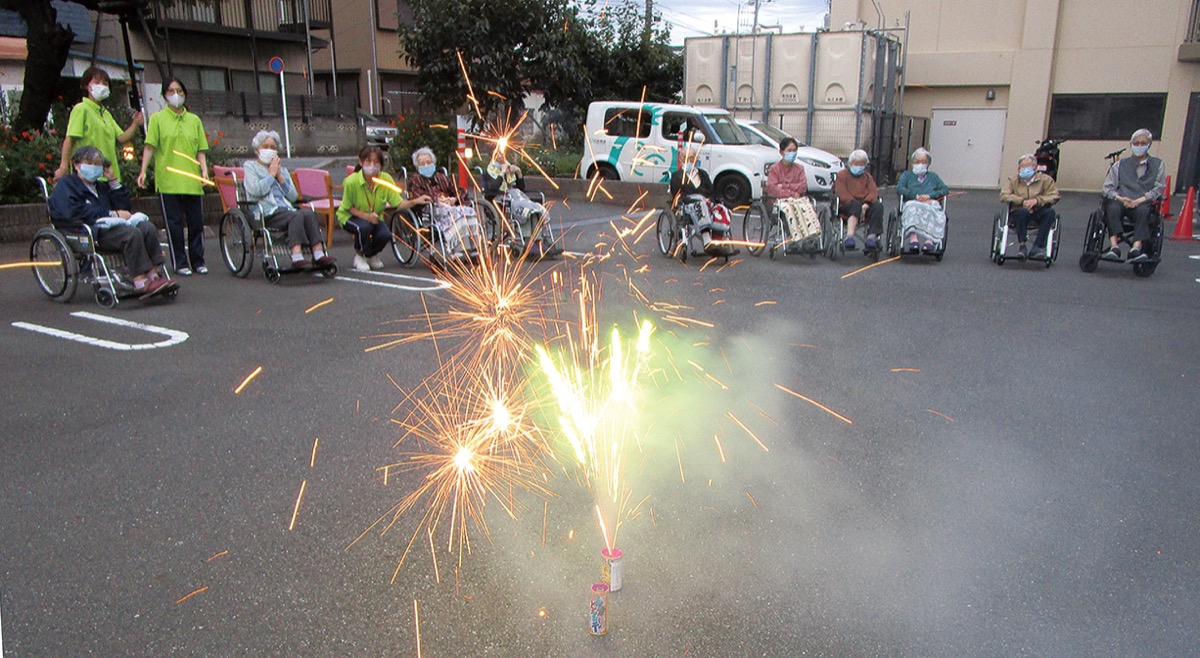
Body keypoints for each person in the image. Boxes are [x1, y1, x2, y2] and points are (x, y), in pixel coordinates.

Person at [48, 146, 176, 296]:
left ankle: (153, 275)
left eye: (98, 165)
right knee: (131, 234)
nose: (95, 168)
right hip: (88, 231)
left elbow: (124, 207)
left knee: (147, 227)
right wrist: (112, 214)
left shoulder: (101, 187)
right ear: (77, 165)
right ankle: (140, 281)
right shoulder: (66, 185)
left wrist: (113, 181)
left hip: (110, 227)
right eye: (90, 163)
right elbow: (71, 211)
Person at [137, 77, 210, 276]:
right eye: (170, 91)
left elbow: (201, 149)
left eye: (179, 90)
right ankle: (180, 262)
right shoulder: (158, 119)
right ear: (164, 95)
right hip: (168, 180)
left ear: (185, 94)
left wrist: (204, 170)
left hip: (192, 180)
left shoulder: (194, 120)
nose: (175, 95)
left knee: (196, 222)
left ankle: (198, 260)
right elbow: (150, 147)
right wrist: (143, 171)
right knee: (174, 224)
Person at [242, 130, 335, 269]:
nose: (269, 150)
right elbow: (255, 191)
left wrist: (279, 177)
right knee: (295, 216)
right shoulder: (250, 167)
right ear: (257, 150)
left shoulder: (282, 170)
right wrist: (271, 175)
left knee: (308, 214)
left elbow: (293, 197)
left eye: (273, 147)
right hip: (265, 212)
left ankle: (318, 253)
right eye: (265, 146)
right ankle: (296, 256)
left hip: (285, 209)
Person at [337, 146, 427, 271]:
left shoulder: (386, 179)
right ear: (360, 162)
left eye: (376, 162)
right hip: (350, 216)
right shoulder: (351, 182)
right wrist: (367, 217)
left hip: (374, 217)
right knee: (364, 227)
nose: (372, 166)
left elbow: (398, 203)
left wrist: (415, 201)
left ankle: (370, 254)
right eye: (368, 161)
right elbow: (347, 207)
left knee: (385, 235)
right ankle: (360, 255)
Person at [54, 67, 143, 183]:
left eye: (105, 84)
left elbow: (121, 138)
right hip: (87, 176)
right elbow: (69, 139)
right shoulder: (81, 109)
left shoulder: (106, 114)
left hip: (109, 175)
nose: (101, 86)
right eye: (96, 82)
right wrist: (64, 166)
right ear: (86, 85)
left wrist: (135, 124)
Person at [1101, 129, 1166, 263]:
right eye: (1136, 143)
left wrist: (1140, 200)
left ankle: (1136, 247)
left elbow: (1158, 188)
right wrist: (1120, 198)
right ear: (1131, 145)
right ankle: (1114, 246)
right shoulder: (1119, 165)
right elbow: (1107, 187)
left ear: (1149, 145)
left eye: (1143, 143)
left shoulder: (1158, 165)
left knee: (1144, 211)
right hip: (1121, 200)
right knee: (1111, 208)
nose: (1139, 146)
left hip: (1142, 201)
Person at [405, 146, 482, 257]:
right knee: (456, 214)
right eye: (422, 163)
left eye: (428, 162)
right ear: (417, 167)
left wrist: (454, 199)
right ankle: (456, 249)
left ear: (434, 164)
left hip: (450, 206)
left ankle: (472, 247)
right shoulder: (416, 180)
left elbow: (459, 190)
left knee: (469, 212)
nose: (426, 165)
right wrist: (439, 200)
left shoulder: (441, 177)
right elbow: (420, 197)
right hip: (431, 209)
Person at [669, 146, 738, 257]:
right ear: (681, 159)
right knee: (701, 205)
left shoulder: (703, 174)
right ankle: (707, 241)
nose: (689, 161)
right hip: (688, 205)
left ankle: (717, 242)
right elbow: (676, 196)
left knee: (720, 209)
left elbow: (711, 191)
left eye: (692, 158)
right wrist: (697, 199)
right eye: (686, 158)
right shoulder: (677, 176)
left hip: (706, 203)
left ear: (696, 159)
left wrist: (710, 199)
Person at [485, 144, 551, 249]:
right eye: (498, 154)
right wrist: (502, 173)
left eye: (502, 154)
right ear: (493, 156)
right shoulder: (491, 170)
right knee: (524, 210)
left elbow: (521, 189)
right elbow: (493, 187)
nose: (501, 156)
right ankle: (530, 244)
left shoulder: (508, 166)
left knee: (534, 209)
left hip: (516, 196)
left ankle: (538, 241)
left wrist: (518, 173)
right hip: (501, 199)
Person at [1000, 153, 1060, 259]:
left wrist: (1037, 201)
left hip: (1039, 210)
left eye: (1029, 166)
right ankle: (1022, 246)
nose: (1026, 169)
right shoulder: (1013, 180)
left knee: (1050, 213)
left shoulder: (1046, 180)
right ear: (1018, 169)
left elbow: (1054, 195)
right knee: (1022, 212)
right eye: (1023, 167)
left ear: (1035, 168)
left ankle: (1037, 247)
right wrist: (1022, 201)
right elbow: (1004, 195)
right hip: (1019, 211)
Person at [765, 137, 823, 249]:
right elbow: (772, 188)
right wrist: (791, 192)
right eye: (789, 150)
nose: (792, 153)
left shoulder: (799, 169)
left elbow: (802, 187)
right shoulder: (775, 169)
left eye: (794, 150)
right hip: (781, 200)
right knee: (789, 209)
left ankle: (810, 238)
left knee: (807, 208)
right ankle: (793, 238)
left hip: (798, 198)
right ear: (782, 152)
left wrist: (784, 186)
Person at [895, 148, 950, 253]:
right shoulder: (907, 175)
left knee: (934, 209)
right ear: (913, 163)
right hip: (913, 201)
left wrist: (930, 195)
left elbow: (944, 189)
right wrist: (915, 196)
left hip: (929, 202)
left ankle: (929, 241)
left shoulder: (933, 177)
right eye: (917, 161)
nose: (920, 164)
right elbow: (900, 188)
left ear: (928, 163)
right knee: (912, 208)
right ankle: (913, 240)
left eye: (923, 162)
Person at [832, 149, 885, 251]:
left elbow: (873, 192)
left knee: (878, 206)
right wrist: (858, 206)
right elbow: (842, 194)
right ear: (851, 163)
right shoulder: (842, 175)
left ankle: (871, 237)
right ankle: (849, 236)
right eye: (857, 164)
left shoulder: (867, 177)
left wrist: (866, 204)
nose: (859, 167)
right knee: (855, 204)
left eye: (862, 164)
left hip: (864, 205)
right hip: (846, 205)